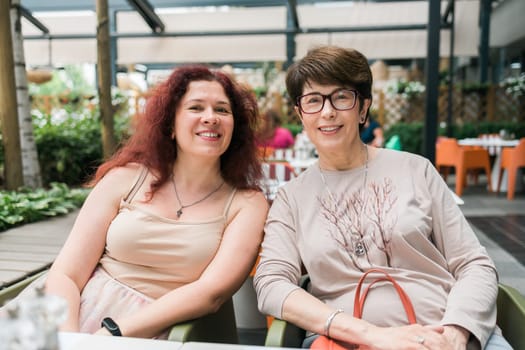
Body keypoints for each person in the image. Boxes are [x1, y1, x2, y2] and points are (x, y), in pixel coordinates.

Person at [253, 46, 510, 350]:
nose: (327, 111)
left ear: (363, 108)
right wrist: (371, 335)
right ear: (300, 114)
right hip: (348, 342)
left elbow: (473, 264)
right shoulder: (291, 198)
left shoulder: (416, 170)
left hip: (441, 331)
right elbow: (271, 284)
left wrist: (455, 334)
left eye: (341, 96)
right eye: (313, 100)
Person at [3, 65, 269, 339]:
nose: (210, 118)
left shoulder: (247, 203)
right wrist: (70, 338)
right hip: (67, 310)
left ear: (235, 127)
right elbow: (67, 272)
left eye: (222, 110)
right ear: (171, 125)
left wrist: (115, 333)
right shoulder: (124, 178)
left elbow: (211, 292)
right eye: (196, 108)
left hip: (156, 326)